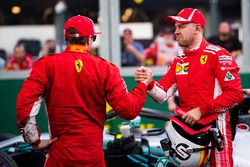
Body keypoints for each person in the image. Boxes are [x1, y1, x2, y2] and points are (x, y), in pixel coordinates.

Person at [16, 15, 152, 167]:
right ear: (89, 39)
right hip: (92, 159)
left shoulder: (45, 65)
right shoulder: (106, 68)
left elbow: (25, 108)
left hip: (59, 158)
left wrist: (34, 141)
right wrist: (142, 86)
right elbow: (129, 110)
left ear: (66, 39)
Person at [135, 8, 244, 167]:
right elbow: (161, 95)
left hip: (217, 133)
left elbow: (236, 95)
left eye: (181, 27)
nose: (176, 32)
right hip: (189, 136)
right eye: (176, 27)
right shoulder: (178, 61)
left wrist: (200, 110)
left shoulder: (218, 54)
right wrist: (149, 82)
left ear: (197, 29)